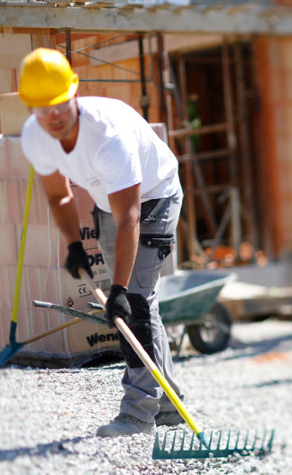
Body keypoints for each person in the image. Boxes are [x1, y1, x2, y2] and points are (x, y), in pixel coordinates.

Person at [18, 47, 184, 438]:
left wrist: (120, 291)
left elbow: (130, 217)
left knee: (135, 304)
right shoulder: (35, 137)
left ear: (73, 94)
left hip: (155, 195)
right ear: (32, 110)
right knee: (143, 304)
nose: (54, 117)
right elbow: (60, 196)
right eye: (43, 110)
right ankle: (169, 405)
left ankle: (138, 413)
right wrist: (75, 245)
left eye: (60, 105)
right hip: (111, 202)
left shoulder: (108, 134)